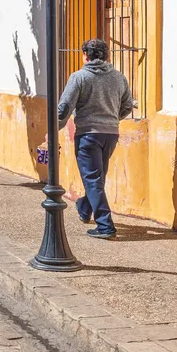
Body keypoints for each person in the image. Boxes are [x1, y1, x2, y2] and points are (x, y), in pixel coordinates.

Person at [57, 38, 134, 239]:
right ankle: (84, 206)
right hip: (110, 134)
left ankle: (105, 225)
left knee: (92, 178)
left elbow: (64, 107)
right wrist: (112, 119)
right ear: (106, 55)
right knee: (97, 178)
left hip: (88, 134)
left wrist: (54, 129)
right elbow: (127, 105)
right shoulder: (119, 78)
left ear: (85, 55)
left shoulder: (79, 77)